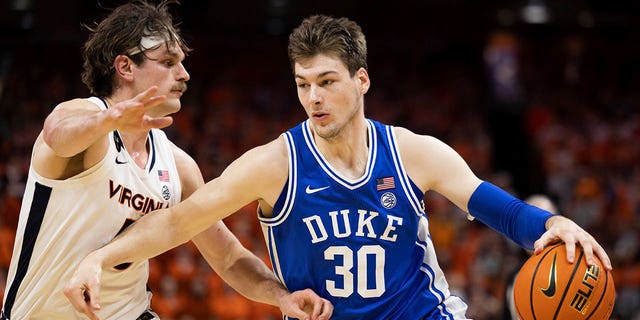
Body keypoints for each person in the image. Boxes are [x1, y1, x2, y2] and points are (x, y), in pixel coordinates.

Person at [65, 14, 613, 319]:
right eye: (303, 85)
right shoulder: (274, 164)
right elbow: (183, 220)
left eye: (327, 82)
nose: (314, 98)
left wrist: (551, 225)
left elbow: (495, 207)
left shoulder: (412, 152)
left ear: (361, 81)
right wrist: (104, 258)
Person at [0, 2, 332, 320]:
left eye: (182, 63)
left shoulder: (180, 167)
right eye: (169, 62)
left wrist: (280, 296)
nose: (185, 74)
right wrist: (109, 120)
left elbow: (228, 257)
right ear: (126, 67)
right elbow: (57, 133)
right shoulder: (85, 118)